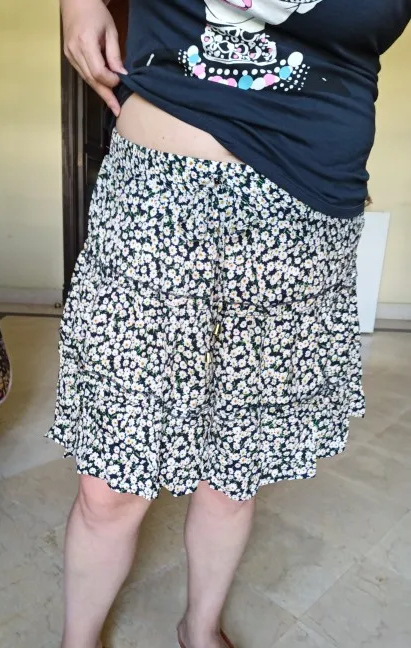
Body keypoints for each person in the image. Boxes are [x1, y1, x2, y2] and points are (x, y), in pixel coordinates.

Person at [47, 1, 411, 647]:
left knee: (232, 475)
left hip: (303, 226)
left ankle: (200, 628)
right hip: (154, 204)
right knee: (108, 487)